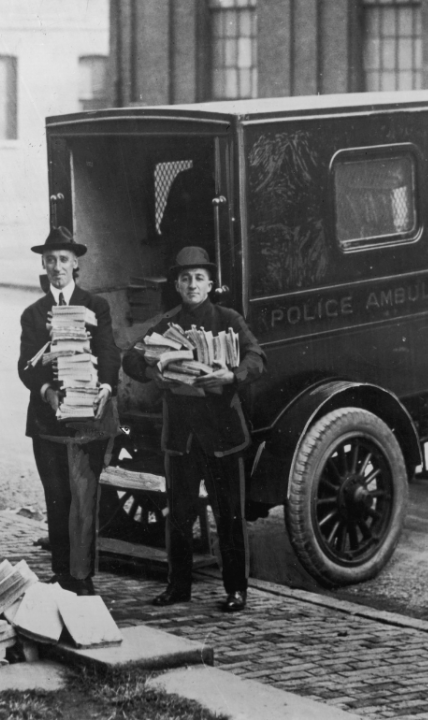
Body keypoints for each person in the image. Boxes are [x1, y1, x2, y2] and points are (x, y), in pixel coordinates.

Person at [122, 246, 266, 612]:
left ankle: (236, 590)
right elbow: (131, 356)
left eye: (199, 278)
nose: (192, 284)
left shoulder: (229, 318)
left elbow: (256, 357)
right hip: (181, 438)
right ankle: (178, 587)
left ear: (210, 283)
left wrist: (233, 375)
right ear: (176, 284)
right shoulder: (167, 324)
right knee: (179, 516)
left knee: (229, 516)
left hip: (222, 435)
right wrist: (154, 371)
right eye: (185, 278)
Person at [17, 226, 120, 596]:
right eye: (50, 261)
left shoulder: (96, 306)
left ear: (75, 264)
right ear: (43, 266)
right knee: (57, 497)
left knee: (84, 498)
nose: (57, 267)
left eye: (63, 260)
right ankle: (61, 574)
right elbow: (24, 367)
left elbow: (109, 351)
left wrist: (106, 386)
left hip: (88, 416)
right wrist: (45, 390)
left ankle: (83, 576)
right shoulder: (33, 314)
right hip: (48, 420)